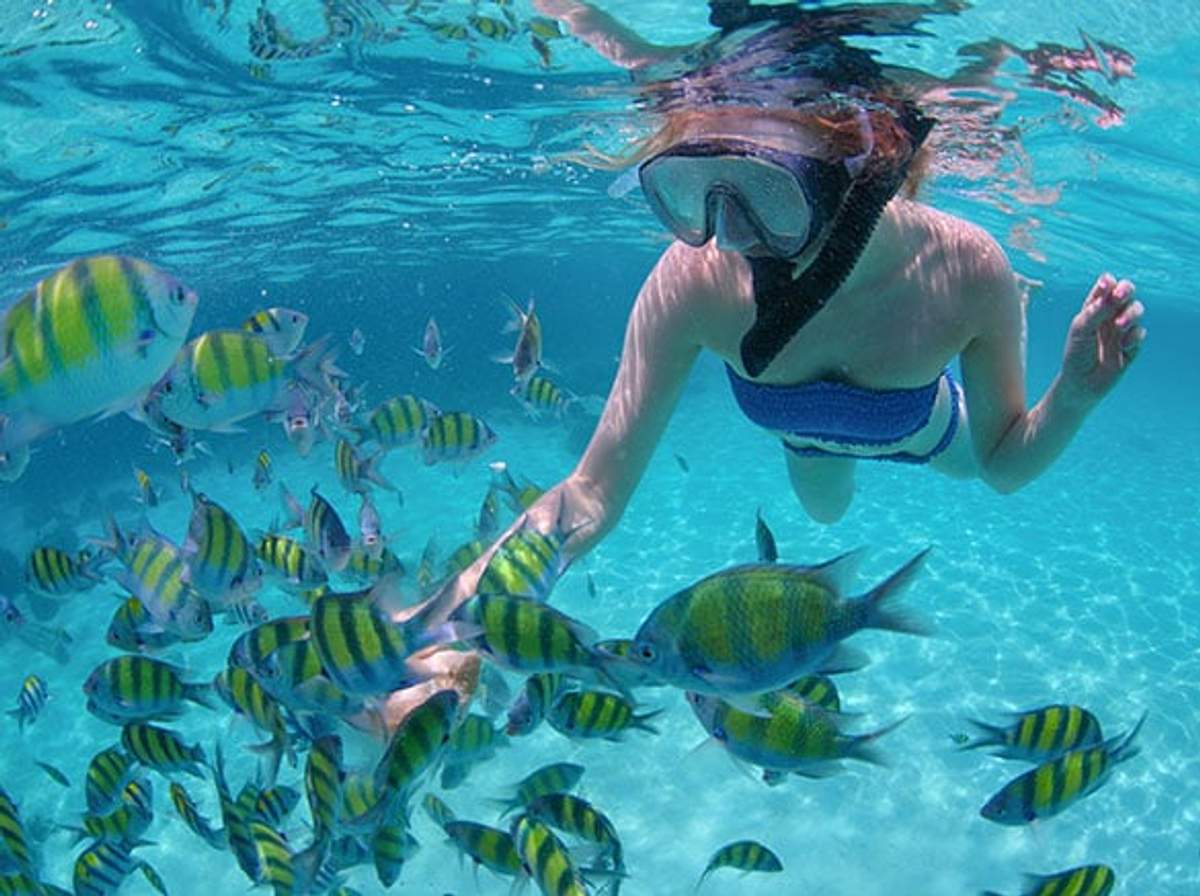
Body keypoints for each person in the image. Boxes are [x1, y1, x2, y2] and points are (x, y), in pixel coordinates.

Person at [386, 0, 1145, 717]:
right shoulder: (694, 283)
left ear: (862, 168)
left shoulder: (964, 270)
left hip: (922, 425)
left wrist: (1075, 395)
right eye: (695, 191)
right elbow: (588, 495)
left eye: (763, 194)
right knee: (824, 504)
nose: (726, 233)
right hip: (803, 439)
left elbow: (1004, 464)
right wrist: (442, 633)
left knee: (962, 461)